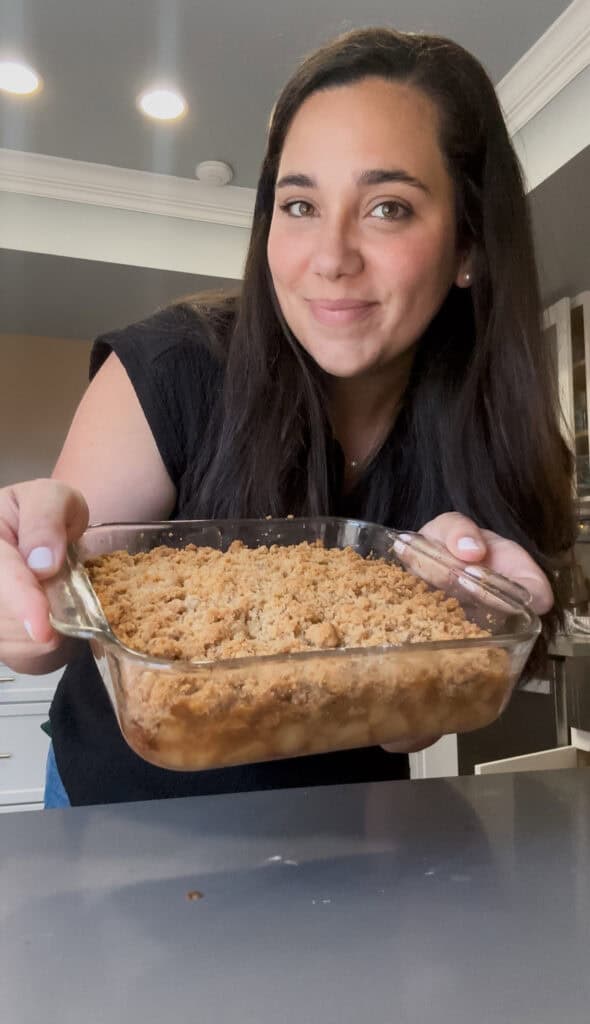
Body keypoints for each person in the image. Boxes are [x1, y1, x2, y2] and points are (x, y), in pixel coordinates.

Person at [0, 27, 574, 807]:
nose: (330, 256)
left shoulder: (498, 434)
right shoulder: (171, 369)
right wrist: (25, 579)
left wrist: (462, 636)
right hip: (118, 816)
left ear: (468, 242)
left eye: (388, 207)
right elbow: (48, 637)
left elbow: (410, 727)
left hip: (351, 828)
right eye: (299, 203)